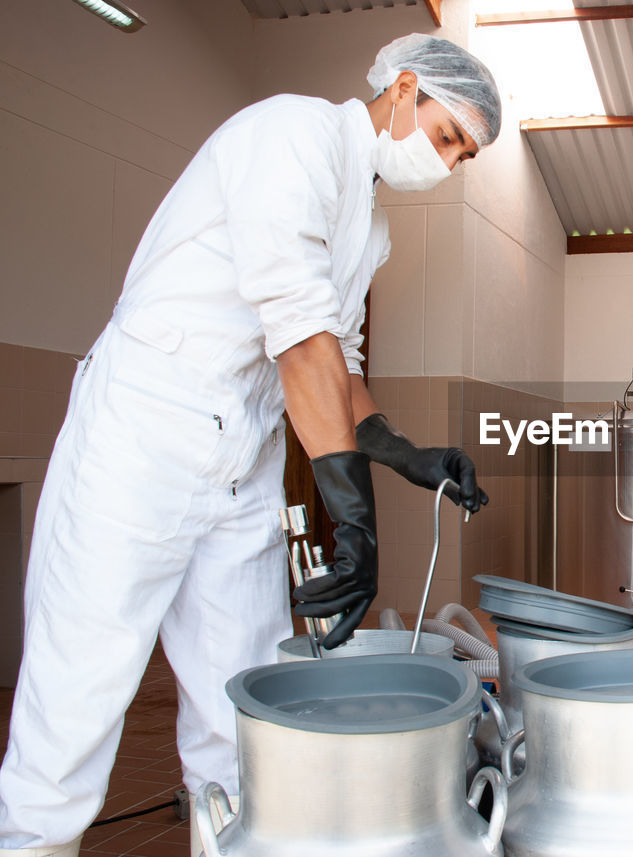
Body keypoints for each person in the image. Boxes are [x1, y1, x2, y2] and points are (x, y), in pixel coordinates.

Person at [0, 34, 498, 856]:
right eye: (448, 136)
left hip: (242, 466)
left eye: (465, 156)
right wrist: (354, 515)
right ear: (404, 88)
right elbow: (300, 337)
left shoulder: (367, 225)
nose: (449, 163)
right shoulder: (292, 135)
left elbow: (339, 362)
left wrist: (408, 455)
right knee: (75, 705)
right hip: (145, 437)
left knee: (242, 712)